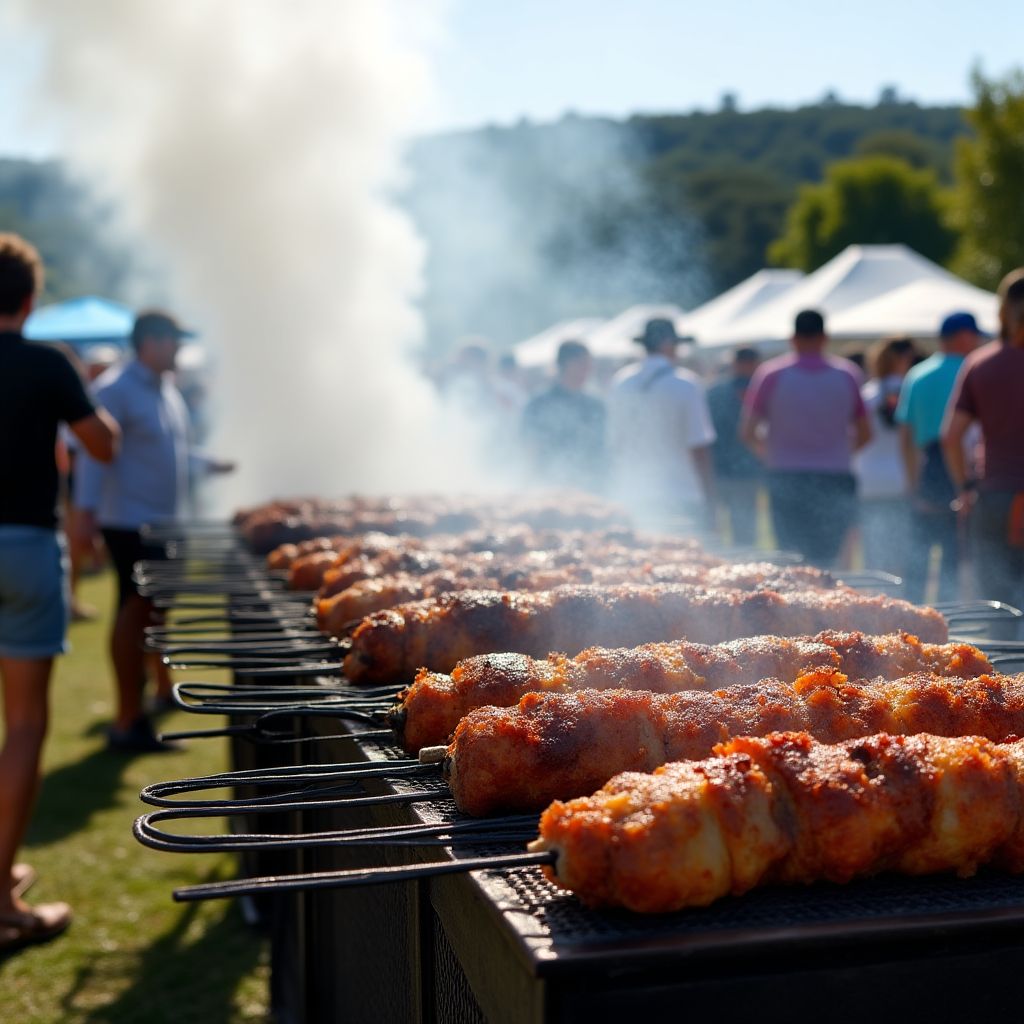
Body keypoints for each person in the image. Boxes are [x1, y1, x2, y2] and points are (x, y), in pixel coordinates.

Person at [0, 232, 119, 950]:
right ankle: (0, 902)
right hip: (21, 548)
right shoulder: (48, 362)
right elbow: (102, 442)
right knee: (23, 724)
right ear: (30, 299)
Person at [76, 310, 233, 753]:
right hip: (130, 522)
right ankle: (127, 719)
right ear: (151, 342)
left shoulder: (165, 388)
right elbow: (92, 452)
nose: (179, 348)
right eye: (173, 340)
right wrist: (85, 514)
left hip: (164, 522)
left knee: (155, 613)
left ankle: (156, 694)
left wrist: (207, 464)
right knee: (134, 611)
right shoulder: (115, 389)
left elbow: (171, 452)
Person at [740, 309, 870, 565]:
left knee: (790, 559)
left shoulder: (771, 374)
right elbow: (866, 433)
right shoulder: (847, 374)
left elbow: (747, 432)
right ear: (825, 337)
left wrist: (769, 456)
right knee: (826, 561)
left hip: (785, 476)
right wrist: (840, 454)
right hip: (834, 477)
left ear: (792, 338)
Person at [943, 273, 1024, 615]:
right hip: (1001, 497)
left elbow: (951, 436)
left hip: (995, 497)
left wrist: (964, 486)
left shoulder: (980, 363)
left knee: (996, 605)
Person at [895, 311, 983, 603]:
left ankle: (912, 615)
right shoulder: (974, 370)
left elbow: (906, 438)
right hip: (966, 469)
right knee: (955, 555)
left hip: (928, 470)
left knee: (919, 554)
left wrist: (912, 483)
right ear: (963, 337)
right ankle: (950, 615)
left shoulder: (917, 375)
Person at [607, 317, 716, 529]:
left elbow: (615, 444)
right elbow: (699, 448)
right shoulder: (686, 384)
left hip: (634, 494)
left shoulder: (621, 383)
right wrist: (711, 500)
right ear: (668, 345)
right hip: (680, 493)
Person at [853, 336, 919, 572]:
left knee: (873, 550)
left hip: (867, 479)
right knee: (900, 550)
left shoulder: (866, 394)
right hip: (902, 478)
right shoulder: (911, 390)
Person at [520, 340, 606, 492]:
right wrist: (530, 483)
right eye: (582, 364)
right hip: (549, 485)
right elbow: (529, 447)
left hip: (591, 485)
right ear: (566, 364)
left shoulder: (595, 405)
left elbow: (602, 449)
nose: (588, 370)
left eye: (588, 364)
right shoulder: (540, 403)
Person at [706, 347, 762, 547]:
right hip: (737, 470)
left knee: (722, 528)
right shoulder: (757, 389)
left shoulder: (713, 391)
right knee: (742, 532)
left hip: (724, 469)